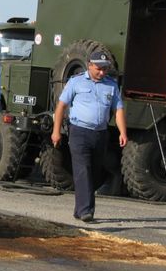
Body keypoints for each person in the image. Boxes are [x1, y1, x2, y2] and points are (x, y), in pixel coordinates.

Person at [51, 51, 128, 223]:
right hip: (79, 132)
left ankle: (80, 209)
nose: (102, 72)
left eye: (105, 69)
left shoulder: (111, 85)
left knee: (94, 171)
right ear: (89, 65)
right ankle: (87, 210)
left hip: (100, 134)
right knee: (83, 169)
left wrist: (123, 132)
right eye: (99, 69)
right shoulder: (76, 82)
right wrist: (56, 131)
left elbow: (119, 110)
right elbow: (61, 106)